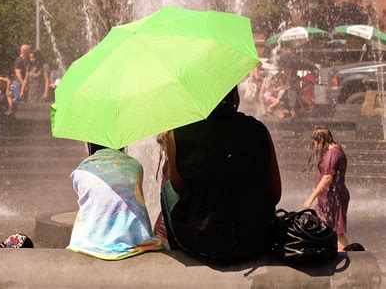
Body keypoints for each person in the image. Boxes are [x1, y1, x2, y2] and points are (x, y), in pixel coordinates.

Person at [161, 86, 282, 261]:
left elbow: (178, 186)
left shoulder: (179, 133)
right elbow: (275, 194)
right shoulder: (258, 130)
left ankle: (178, 253)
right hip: (256, 238)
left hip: (200, 239)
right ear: (234, 95)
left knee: (167, 191)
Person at [68, 143, 161, 260]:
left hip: (89, 243)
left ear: (90, 144)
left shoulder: (81, 171)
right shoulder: (135, 166)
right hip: (133, 242)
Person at [303, 127, 350, 251]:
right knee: (328, 229)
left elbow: (328, 177)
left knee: (338, 233)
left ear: (321, 139)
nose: (314, 145)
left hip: (335, 198)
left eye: (315, 142)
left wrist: (311, 198)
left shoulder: (333, 153)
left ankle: (345, 257)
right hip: (329, 198)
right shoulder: (331, 151)